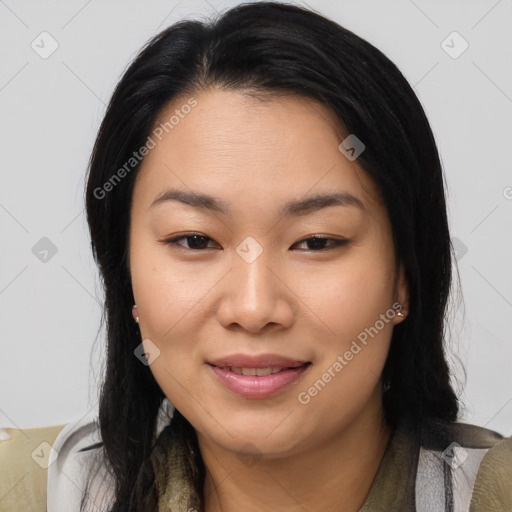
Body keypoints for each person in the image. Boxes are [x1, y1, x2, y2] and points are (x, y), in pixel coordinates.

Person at [47, 2, 512, 511]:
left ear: (404, 276)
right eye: (195, 240)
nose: (253, 308)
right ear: (127, 273)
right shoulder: (31, 492)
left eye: (316, 242)